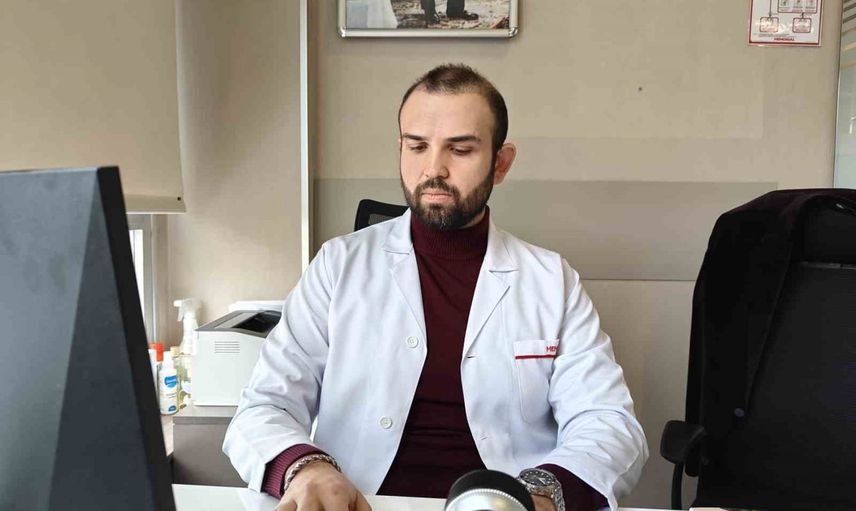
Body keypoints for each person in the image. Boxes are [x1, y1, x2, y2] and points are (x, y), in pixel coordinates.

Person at [223, 64, 648, 511]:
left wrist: (540, 494)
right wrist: (306, 468)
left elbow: (608, 423)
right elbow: (265, 406)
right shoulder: (338, 266)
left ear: (500, 163)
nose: (434, 169)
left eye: (460, 149)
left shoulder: (550, 280)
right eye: (417, 146)